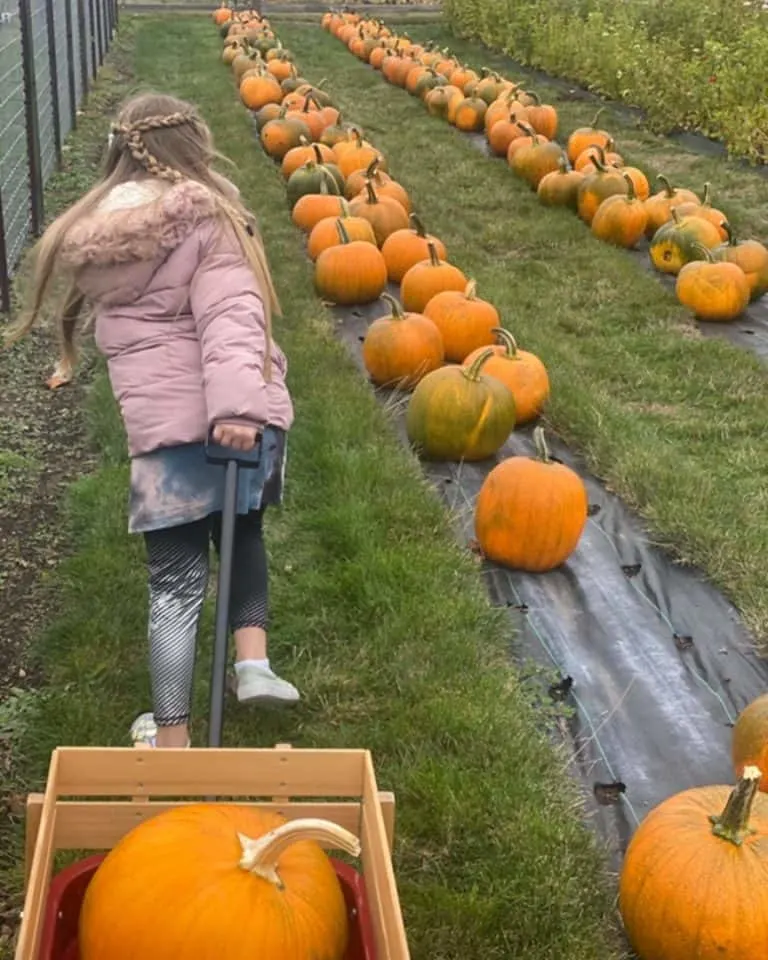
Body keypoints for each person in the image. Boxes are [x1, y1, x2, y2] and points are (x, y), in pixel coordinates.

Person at [10, 92, 299, 748]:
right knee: (245, 533)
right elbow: (231, 316)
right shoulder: (209, 216)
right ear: (193, 148)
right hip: (235, 423)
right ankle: (251, 663)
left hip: (163, 448)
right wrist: (236, 408)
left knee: (173, 584)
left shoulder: (101, 238)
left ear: (118, 153)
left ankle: (172, 738)